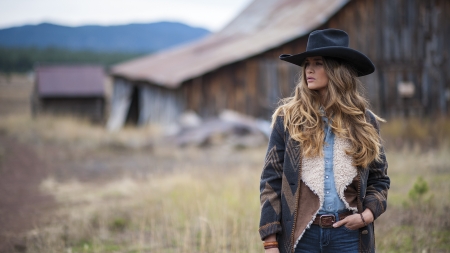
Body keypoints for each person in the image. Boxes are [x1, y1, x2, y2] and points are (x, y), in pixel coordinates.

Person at [258, 29, 390, 253]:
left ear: (337, 70)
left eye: (318, 63)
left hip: (349, 236)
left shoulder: (363, 121)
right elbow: (271, 181)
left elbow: (380, 179)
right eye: (307, 63)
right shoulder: (288, 119)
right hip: (302, 236)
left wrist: (366, 216)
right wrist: (270, 242)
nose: (309, 69)